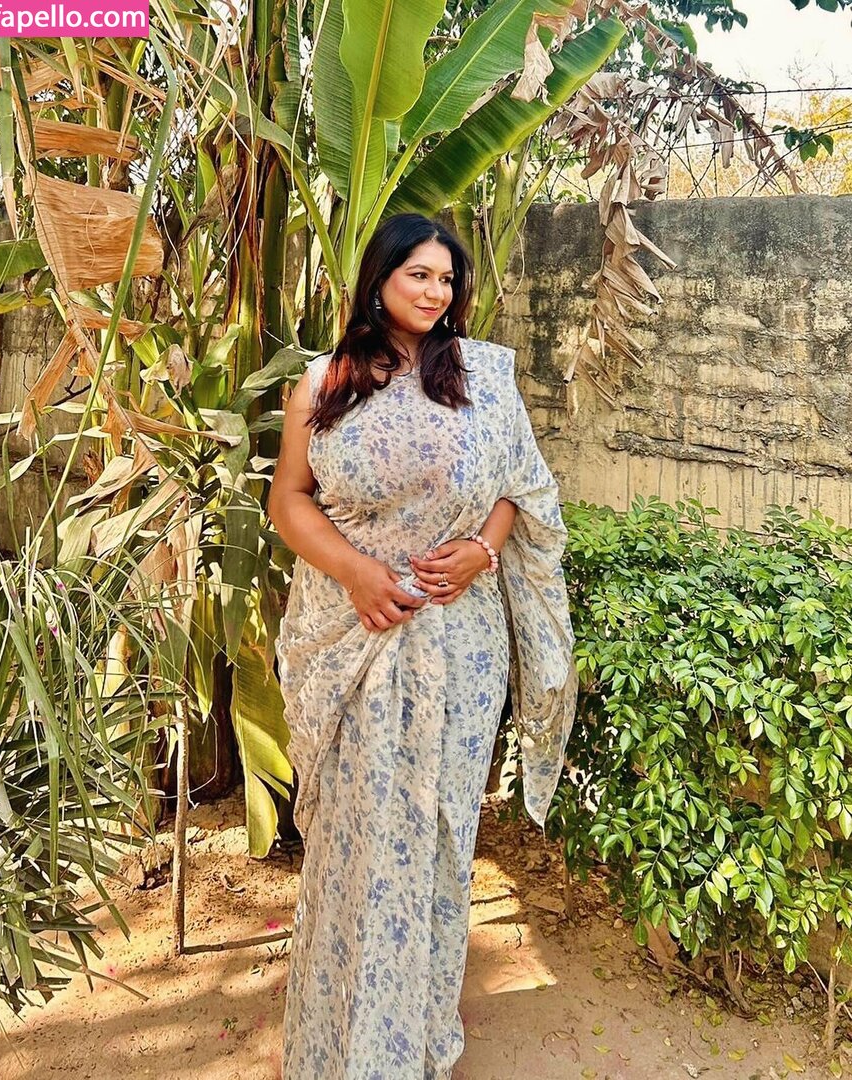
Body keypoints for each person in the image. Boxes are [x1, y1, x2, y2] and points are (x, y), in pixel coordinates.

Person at [268, 213, 577, 1080]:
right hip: (352, 636)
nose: (436, 291)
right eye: (419, 274)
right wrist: (356, 573)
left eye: (446, 279)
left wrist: (482, 549)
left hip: (458, 646)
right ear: (379, 278)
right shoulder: (323, 382)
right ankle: (339, 1048)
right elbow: (289, 499)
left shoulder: (483, 376)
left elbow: (520, 489)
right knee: (355, 846)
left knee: (439, 839)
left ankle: (416, 1043)